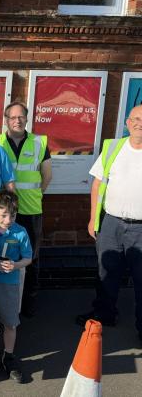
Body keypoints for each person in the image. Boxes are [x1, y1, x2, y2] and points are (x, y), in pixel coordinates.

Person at [77, 105, 142, 343]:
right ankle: (104, 315)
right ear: (127, 122)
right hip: (111, 223)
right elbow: (96, 185)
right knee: (106, 272)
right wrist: (94, 218)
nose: (139, 124)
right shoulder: (114, 147)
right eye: (135, 119)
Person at [0, 101, 52, 317]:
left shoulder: (39, 142)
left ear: (27, 118)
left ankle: (27, 303)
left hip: (30, 209)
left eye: (21, 117)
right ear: (6, 120)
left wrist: (36, 194)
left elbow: (47, 175)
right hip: (2, 212)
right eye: (12, 117)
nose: (17, 120)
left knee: (29, 257)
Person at [0, 190, 32, 383]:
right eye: (3, 214)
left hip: (10, 284)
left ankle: (9, 356)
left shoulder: (20, 232)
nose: (8, 219)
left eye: (13, 215)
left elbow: (27, 258)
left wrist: (15, 265)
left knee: (10, 321)